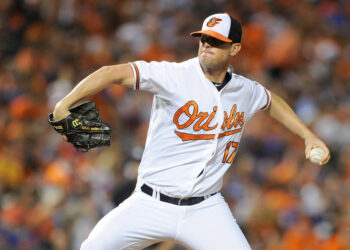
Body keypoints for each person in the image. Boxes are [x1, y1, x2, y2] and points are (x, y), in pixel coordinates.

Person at [52, 13, 330, 250]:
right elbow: (111, 72)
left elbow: (272, 102)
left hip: (205, 209)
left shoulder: (245, 90)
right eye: (204, 39)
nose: (206, 45)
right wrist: (65, 103)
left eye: (216, 42)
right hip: (150, 203)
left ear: (235, 49)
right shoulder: (173, 75)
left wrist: (308, 135)